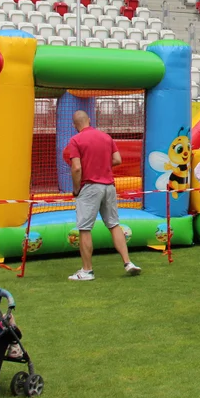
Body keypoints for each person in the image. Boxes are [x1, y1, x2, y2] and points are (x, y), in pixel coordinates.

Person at [64, 111, 141, 281]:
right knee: (114, 224)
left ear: (74, 124)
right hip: (109, 186)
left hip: (90, 186)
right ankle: (128, 262)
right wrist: (100, 163)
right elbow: (118, 159)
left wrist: (76, 189)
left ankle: (87, 271)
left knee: (84, 228)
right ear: (89, 120)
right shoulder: (106, 137)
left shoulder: (75, 140)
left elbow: (76, 168)